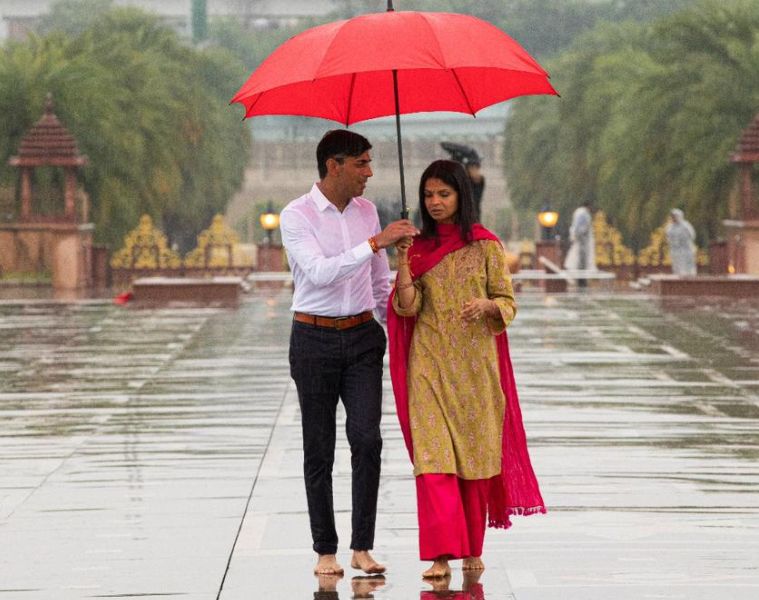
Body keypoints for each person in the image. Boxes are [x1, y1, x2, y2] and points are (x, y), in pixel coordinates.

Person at [387, 160, 545, 580]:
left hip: (476, 369)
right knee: (433, 461)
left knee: (474, 461)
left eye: (444, 194)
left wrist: (488, 306)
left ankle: (472, 545)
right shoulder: (417, 247)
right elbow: (407, 307)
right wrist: (403, 263)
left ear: (461, 196)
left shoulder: (485, 245)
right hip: (429, 367)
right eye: (428, 195)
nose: (435, 203)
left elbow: (508, 302)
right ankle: (440, 554)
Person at [280, 129, 419, 576]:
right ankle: (325, 549)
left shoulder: (368, 212)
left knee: (367, 439)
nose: (369, 172)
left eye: (370, 162)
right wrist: (375, 243)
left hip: (362, 338)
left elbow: (378, 284)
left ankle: (362, 546)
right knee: (319, 448)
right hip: (313, 338)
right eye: (361, 163)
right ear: (333, 165)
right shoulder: (295, 215)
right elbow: (319, 273)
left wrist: (397, 321)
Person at [563, 203, 596, 288]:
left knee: (580, 263)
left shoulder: (579, 213)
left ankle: (581, 281)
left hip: (581, 243)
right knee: (581, 263)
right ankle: (582, 282)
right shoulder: (583, 213)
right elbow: (580, 229)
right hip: (582, 244)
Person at [666, 208, 697, 276]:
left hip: (686, 250)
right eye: (673, 216)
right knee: (677, 267)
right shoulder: (670, 227)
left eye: (675, 216)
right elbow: (668, 238)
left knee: (688, 268)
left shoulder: (686, 226)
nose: (674, 218)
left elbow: (692, 236)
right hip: (676, 250)